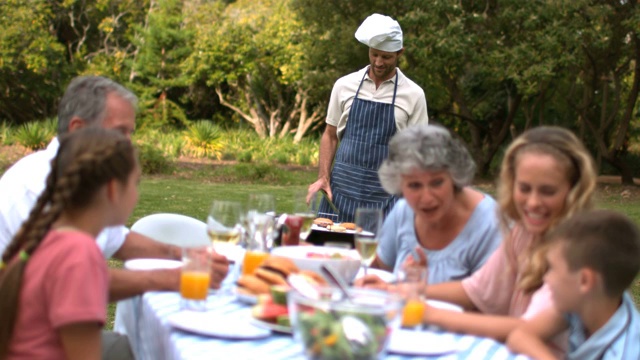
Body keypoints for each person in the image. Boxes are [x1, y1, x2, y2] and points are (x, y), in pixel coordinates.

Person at [403, 126, 597, 356]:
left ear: (573, 190)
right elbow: (475, 290)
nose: (533, 202)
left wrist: (428, 313)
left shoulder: (576, 253)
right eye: (524, 188)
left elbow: (526, 330)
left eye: (547, 191)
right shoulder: (525, 233)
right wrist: (405, 290)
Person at [0, 128, 138, 359]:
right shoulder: (78, 253)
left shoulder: (43, 234)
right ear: (113, 189)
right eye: (136, 183)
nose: (136, 193)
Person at [307, 13, 429, 223]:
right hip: (339, 193)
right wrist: (323, 177)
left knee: (378, 255)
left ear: (400, 53)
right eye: (374, 55)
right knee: (328, 251)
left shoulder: (413, 94)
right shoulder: (344, 85)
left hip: (386, 197)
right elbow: (330, 135)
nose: (379, 62)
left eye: (386, 57)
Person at [357, 124, 501, 283]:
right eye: (414, 185)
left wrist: (414, 289)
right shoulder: (403, 211)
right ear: (399, 184)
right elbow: (379, 269)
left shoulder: (491, 222)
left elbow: (490, 299)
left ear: (454, 176)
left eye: (437, 183)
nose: (426, 197)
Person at [507, 210, 640, 360]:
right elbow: (519, 335)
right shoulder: (594, 300)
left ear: (584, 281)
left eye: (552, 268)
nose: (546, 278)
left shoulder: (623, 353)